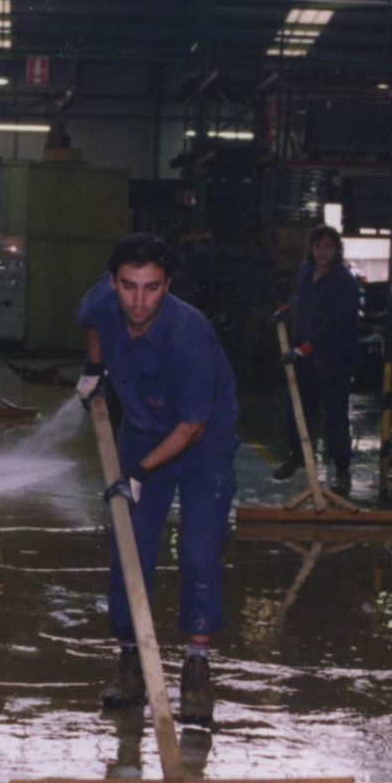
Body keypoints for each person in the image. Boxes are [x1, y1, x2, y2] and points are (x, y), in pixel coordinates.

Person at [76, 233, 239, 726]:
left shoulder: (189, 335)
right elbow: (93, 324)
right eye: (129, 287)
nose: (139, 301)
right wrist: (93, 368)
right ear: (113, 282)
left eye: (152, 288)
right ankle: (131, 657)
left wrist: (139, 475)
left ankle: (196, 667)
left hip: (202, 447)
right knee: (128, 546)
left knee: (198, 550)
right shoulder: (104, 303)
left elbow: (192, 426)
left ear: (167, 285)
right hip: (142, 435)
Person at [271, 225, 362, 497]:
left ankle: (342, 471)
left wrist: (306, 348)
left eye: (328, 246)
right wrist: (285, 310)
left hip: (334, 359)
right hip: (306, 359)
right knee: (294, 409)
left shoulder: (343, 280)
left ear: (336, 250)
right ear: (311, 248)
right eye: (318, 246)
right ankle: (296, 456)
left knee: (335, 418)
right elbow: (301, 299)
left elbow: (338, 322)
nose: (322, 252)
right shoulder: (305, 272)